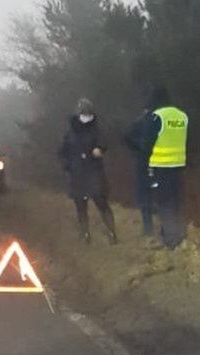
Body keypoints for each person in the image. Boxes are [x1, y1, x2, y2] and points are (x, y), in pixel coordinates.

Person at [59, 98, 118, 245]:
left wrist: (100, 149)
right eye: (84, 113)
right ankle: (85, 234)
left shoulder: (97, 129)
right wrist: (67, 165)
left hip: (94, 171)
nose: (87, 116)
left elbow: (103, 142)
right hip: (77, 173)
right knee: (81, 206)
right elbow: (62, 152)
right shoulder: (70, 132)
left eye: (89, 113)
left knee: (101, 202)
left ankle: (112, 232)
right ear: (78, 114)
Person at [136, 87, 189, 249]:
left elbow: (147, 145)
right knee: (176, 201)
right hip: (178, 165)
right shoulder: (182, 116)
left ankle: (170, 240)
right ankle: (180, 235)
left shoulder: (157, 117)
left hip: (160, 167)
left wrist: (143, 164)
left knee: (164, 203)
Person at [124, 108, 154, 237]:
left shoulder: (140, 122)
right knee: (151, 195)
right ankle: (152, 228)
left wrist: (138, 150)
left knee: (145, 196)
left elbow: (127, 138)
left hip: (145, 162)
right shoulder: (154, 121)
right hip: (157, 163)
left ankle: (148, 229)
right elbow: (127, 138)